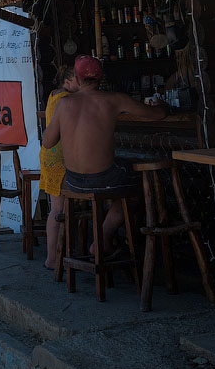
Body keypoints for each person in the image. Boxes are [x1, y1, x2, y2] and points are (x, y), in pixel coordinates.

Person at [41, 55, 166, 257]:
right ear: (101, 78)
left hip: (73, 183)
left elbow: (47, 142)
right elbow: (158, 115)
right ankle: (103, 240)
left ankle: (100, 242)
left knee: (122, 179)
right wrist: (161, 104)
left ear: (78, 79)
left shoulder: (63, 104)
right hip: (104, 180)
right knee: (136, 192)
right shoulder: (115, 99)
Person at [40, 65, 79, 270]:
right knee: (57, 208)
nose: (81, 84)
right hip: (58, 158)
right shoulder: (66, 99)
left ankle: (54, 256)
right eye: (78, 80)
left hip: (51, 156)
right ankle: (53, 258)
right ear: (67, 82)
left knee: (57, 207)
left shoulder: (54, 95)